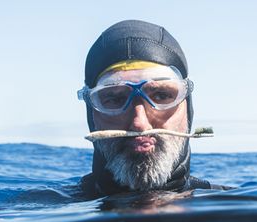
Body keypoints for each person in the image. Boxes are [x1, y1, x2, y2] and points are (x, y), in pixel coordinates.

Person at [78, 20, 229, 198]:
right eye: (115, 99)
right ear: (92, 114)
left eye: (161, 95)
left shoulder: (240, 213)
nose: (139, 124)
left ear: (188, 107)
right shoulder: (46, 209)